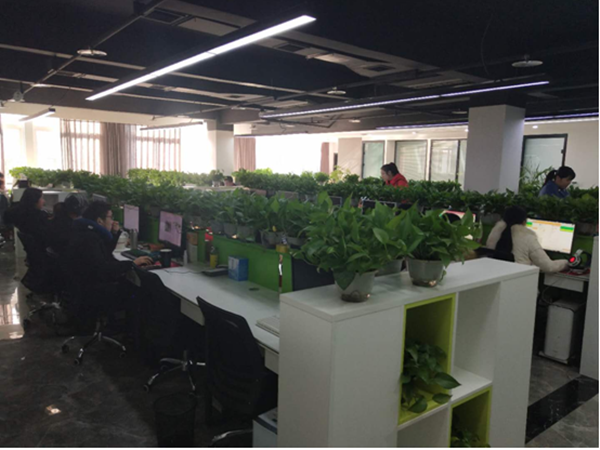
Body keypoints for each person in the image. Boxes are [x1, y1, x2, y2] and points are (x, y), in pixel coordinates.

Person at [61, 201, 152, 329]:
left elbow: (102, 254)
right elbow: (103, 269)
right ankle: (132, 332)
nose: (113, 221)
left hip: (83, 288)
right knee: (138, 289)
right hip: (94, 292)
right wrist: (132, 263)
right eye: (110, 217)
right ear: (99, 221)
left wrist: (114, 233)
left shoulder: (84, 231)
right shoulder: (90, 239)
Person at [486, 206, 568, 273]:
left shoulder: (494, 234)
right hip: (520, 281)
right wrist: (566, 263)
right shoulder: (527, 237)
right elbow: (548, 267)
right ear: (524, 222)